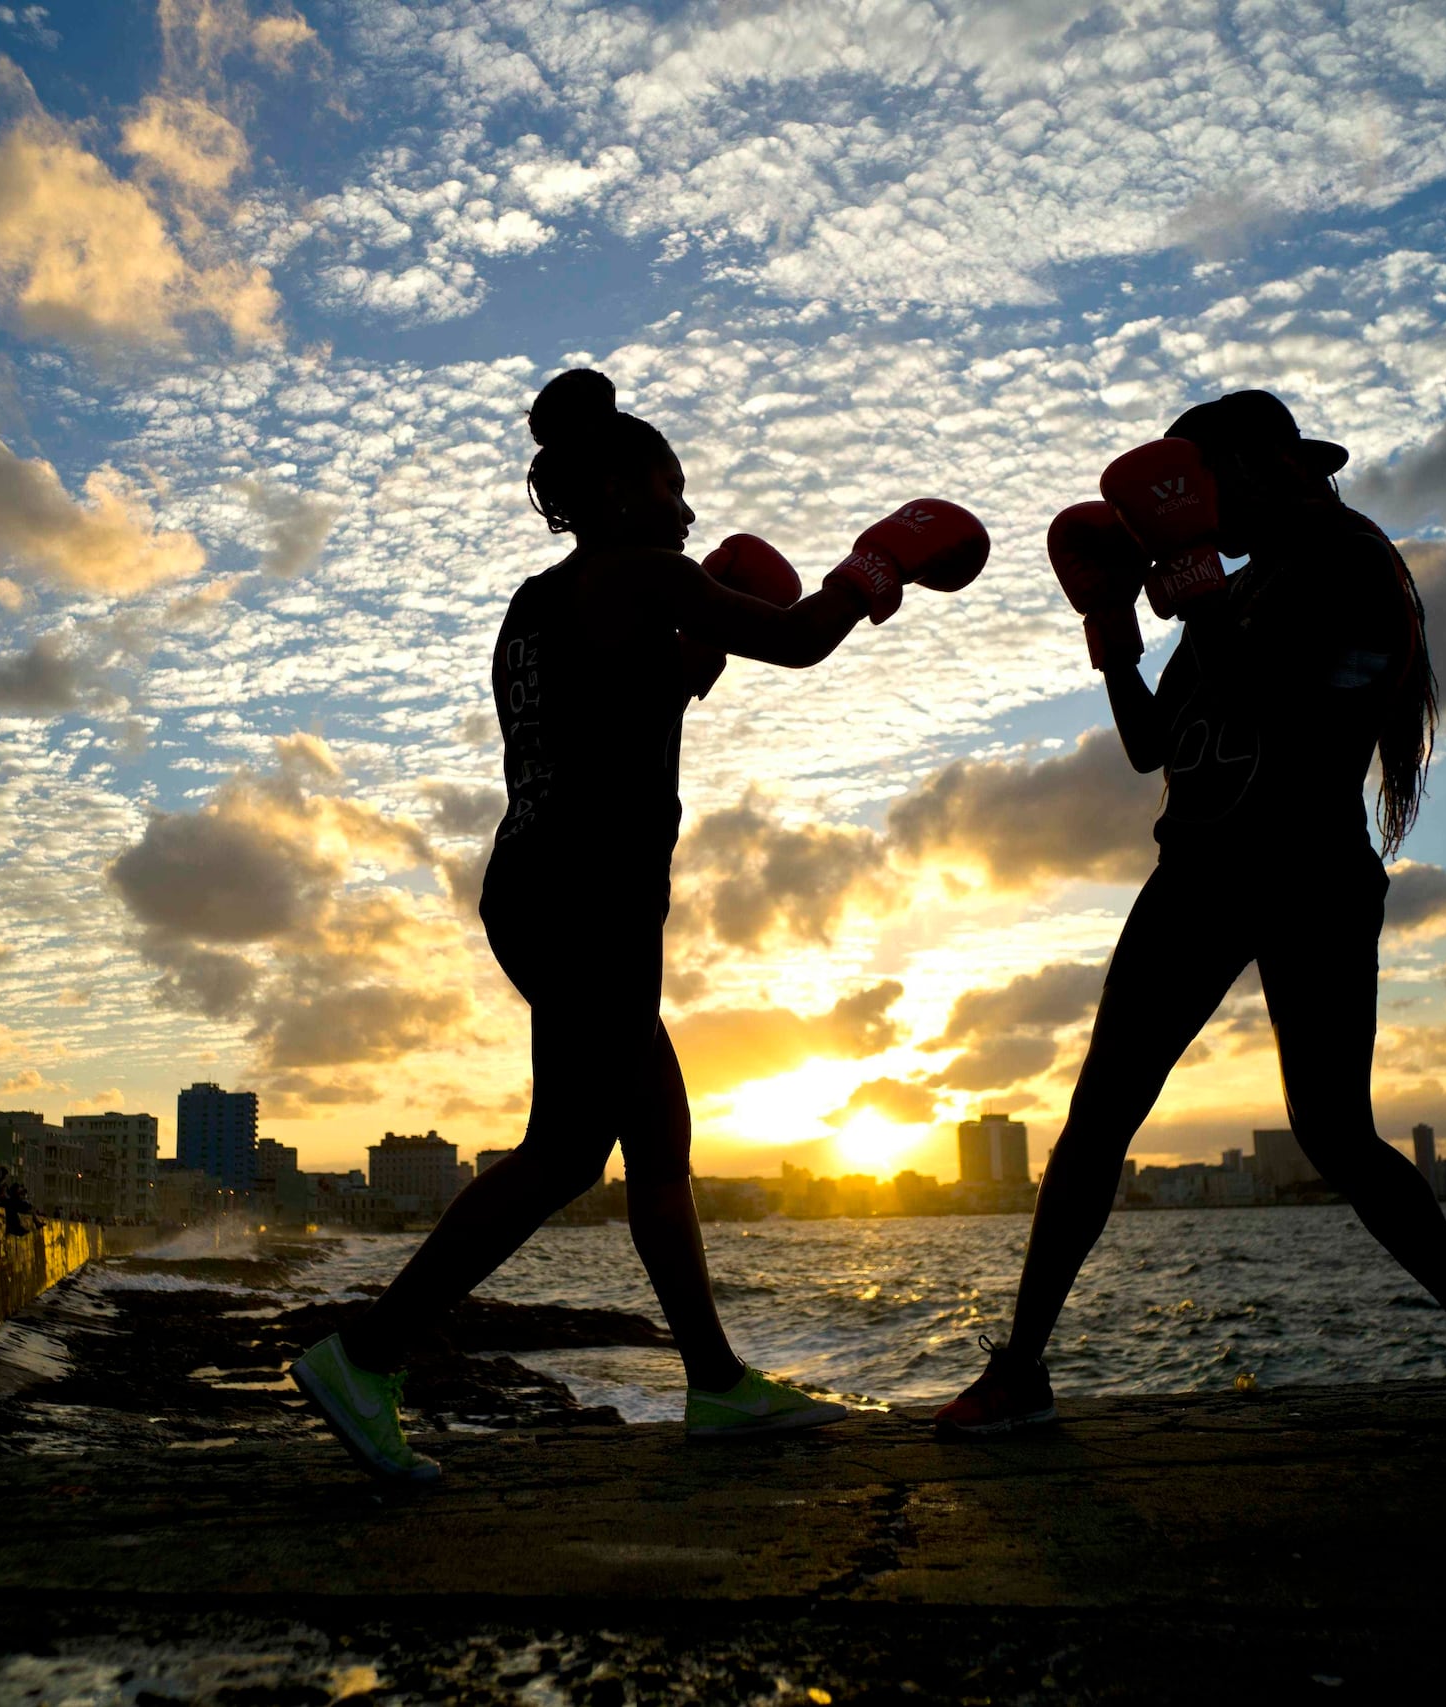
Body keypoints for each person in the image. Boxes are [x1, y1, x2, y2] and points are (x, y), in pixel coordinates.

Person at [291, 367, 991, 1481]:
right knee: (569, 1150)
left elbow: (647, 693)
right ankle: (365, 1355)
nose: (688, 513)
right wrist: (875, 564)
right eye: (673, 488)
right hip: (586, 895)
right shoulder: (639, 572)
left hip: (547, 885)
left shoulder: (539, 606)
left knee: (658, 1148)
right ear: (618, 490)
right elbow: (804, 640)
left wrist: (700, 631)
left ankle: (715, 1387)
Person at [938, 390, 1446, 1439]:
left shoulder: (1355, 567)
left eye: (1203, 486)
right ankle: (1023, 1367)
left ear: (1266, 466)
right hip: (1200, 870)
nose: (1199, 515)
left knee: (1333, 1132)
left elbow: (1311, 710)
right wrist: (1114, 635)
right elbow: (1151, 745)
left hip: (1309, 867)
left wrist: (1198, 595)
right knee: (1097, 1117)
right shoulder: (1240, 578)